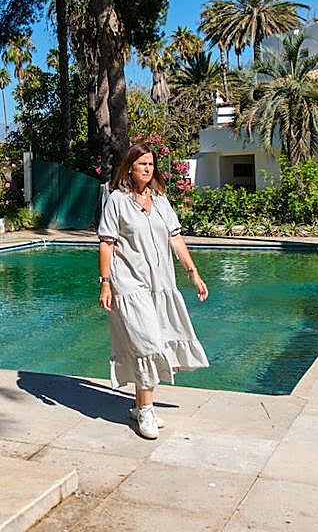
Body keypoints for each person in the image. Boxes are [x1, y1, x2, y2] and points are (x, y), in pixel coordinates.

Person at [97, 142, 208, 439]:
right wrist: (105, 282)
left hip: (160, 283)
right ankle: (146, 411)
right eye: (142, 163)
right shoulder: (117, 201)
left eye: (151, 164)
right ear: (130, 167)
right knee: (148, 343)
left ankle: (138, 404)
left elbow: (175, 238)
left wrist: (193, 274)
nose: (148, 168)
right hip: (128, 283)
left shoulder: (160, 201)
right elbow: (106, 242)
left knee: (152, 341)